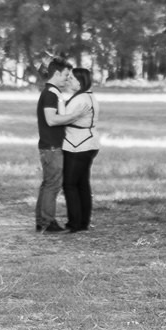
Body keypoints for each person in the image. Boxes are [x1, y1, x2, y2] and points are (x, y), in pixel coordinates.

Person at [57, 66, 99, 232]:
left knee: (70, 184)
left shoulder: (81, 99)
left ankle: (74, 223)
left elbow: (63, 118)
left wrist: (58, 101)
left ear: (81, 81)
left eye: (72, 79)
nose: (69, 81)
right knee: (82, 184)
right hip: (87, 143)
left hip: (79, 145)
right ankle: (83, 222)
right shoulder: (88, 96)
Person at [34, 57, 73, 232]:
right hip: (52, 147)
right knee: (53, 185)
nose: (67, 79)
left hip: (50, 146)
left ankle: (41, 220)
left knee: (47, 183)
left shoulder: (51, 92)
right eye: (65, 75)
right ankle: (48, 222)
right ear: (56, 73)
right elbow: (51, 119)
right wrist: (73, 117)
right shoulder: (50, 94)